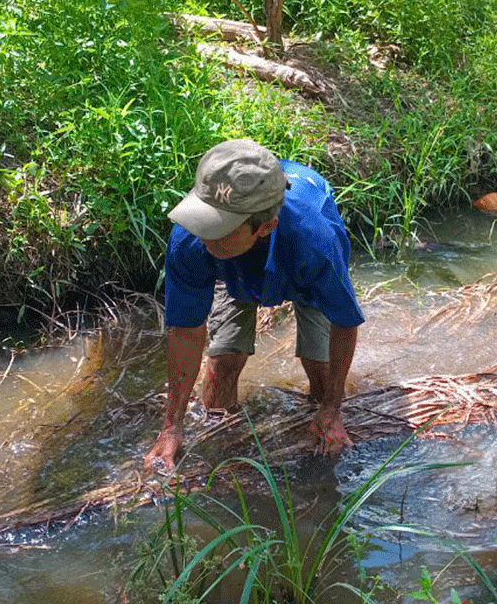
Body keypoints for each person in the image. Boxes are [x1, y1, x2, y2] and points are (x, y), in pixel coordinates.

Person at [143, 139, 364, 472]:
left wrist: (333, 410)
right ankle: (222, 452)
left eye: (219, 229)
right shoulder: (193, 238)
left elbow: (344, 323)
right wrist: (171, 427)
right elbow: (187, 331)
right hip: (231, 265)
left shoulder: (314, 241)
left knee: (319, 371)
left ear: (266, 226)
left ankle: (323, 419)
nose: (204, 236)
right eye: (204, 221)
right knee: (224, 362)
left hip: (299, 265)